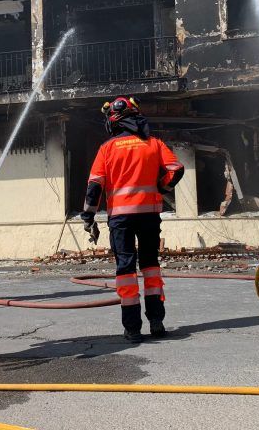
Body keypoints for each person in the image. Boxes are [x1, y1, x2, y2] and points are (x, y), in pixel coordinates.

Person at [81, 96, 184, 342]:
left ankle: (132, 328)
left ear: (114, 121)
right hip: (149, 215)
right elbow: (175, 169)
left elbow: (95, 185)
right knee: (150, 266)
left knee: (125, 270)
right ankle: (157, 321)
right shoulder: (154, 144)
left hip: (121, 219)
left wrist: (88, 216)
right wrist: (161, 188)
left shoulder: (107, 148)